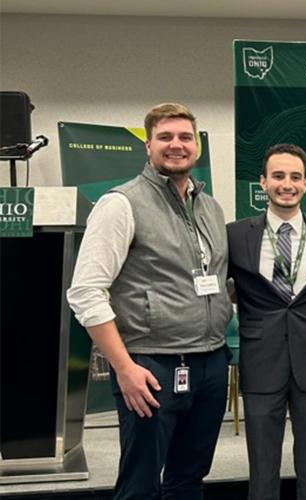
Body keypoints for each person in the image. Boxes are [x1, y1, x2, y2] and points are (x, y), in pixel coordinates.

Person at [67, 102, 232, 498]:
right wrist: (123, 368)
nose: (176, 145)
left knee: (188, 480)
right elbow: (85, 292)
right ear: (148, 146)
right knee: (140, 485)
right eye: (165, 137)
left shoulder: (210, 207)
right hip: (150, 367)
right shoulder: (120, 204)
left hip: (210, 362)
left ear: (197, 147)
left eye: (185, 137)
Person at [227, 144, 306, 500]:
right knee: (262, 472)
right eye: (278, 176)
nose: (287, 184)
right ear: (263, 182)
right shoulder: (235, 236)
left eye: (295, 177)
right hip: (262, 363)